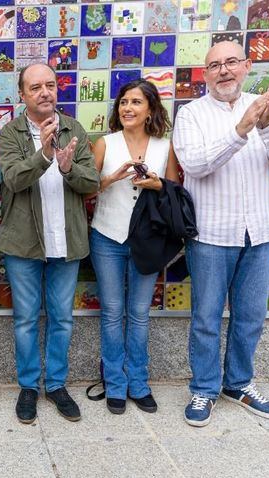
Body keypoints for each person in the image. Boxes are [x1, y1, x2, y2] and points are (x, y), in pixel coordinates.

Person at [172, 41, 269, 427]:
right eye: (215, 65)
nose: (224, 70)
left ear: (247, 65)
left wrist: (265, 125)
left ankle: (240, 384)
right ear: (205, 73)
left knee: (250, 317)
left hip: (259, 233)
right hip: (211, 234)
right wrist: (241, 128)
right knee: (207, 318)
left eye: (231, 62)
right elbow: (195, 164)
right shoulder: (191, 114)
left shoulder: (264, 108)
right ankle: (204, 389)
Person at [0, 63, 99, 424]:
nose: (45, 92)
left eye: (51, 85)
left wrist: (69, 168)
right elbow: (12, 179)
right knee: (25, 319)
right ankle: (28, 386)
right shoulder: (10, 133)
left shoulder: (74, 129)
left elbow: (91, 183)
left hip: (67, 242)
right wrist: (43, 154)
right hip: (24, 243)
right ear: (22, 94)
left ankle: (55, 385)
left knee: (62, 319)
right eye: (36, 87)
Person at [89, 79, 180, 415]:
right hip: (107, 238)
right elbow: (86, 190)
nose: (128, 108)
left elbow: (174, 190)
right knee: (112, 313)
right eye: (124, 102)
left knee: (139, 314)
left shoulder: (164, 146)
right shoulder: (105, 143)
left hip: (148, 240)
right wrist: (112, 178)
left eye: (136, 102)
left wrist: (156, 183)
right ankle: (115, 384)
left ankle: (139, 383)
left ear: (150, 109)